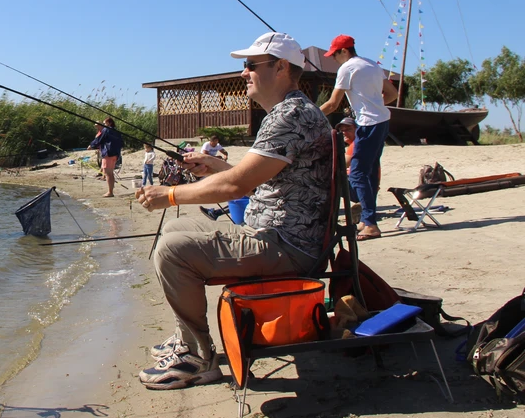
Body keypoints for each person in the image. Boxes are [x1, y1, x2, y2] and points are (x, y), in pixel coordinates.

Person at [134, 32, 332, 390]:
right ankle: (187, 338)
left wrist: (171, 194)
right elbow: (257, 181)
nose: (243, 73)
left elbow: (237, 187)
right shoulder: (293, 112)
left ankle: (198, 358)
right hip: (282, 236)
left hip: (288, 247)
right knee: (174, 233)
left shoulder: (290, 115)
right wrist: (214, 165)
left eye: (250, 65)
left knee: (171, 251)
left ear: (282, 68)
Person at [320, 34, 398, 241]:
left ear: (344, 51)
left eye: (335, 55)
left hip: (368, 124)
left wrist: (311, 115)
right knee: (370, 171)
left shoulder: (346, 68)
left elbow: (332, 103)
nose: (334, 59)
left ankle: (371, 224)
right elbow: (392, 94)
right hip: (382, 121)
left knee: (357, 173)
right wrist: (373, 104)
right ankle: (366, 218)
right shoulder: (372, 64)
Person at [89, 117, 123, 197]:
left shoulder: (106, 130)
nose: (104, 125)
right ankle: (111, 190)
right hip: (115, 154)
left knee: (108, 173)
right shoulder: (116, 131)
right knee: (110, 173)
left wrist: (91, 145)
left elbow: (99, 139)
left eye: (105, 123)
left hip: (108, 154)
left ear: (109, 123)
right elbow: (121, 143)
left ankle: (110, 192)